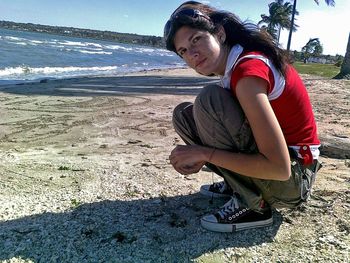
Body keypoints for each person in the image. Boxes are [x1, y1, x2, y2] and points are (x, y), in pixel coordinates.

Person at [164, 1, 322, 233]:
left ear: (219, 33)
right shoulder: (234, 67)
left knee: (210, 101)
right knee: (184, 115)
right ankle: (238, 185)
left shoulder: (248, 73)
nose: (192, 54)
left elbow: (280, 168)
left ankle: (255, 206)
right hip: (287, 173)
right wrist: (202, 154)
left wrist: (205, 153)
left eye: (196, 39)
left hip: (293, 182)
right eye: (183, 51)